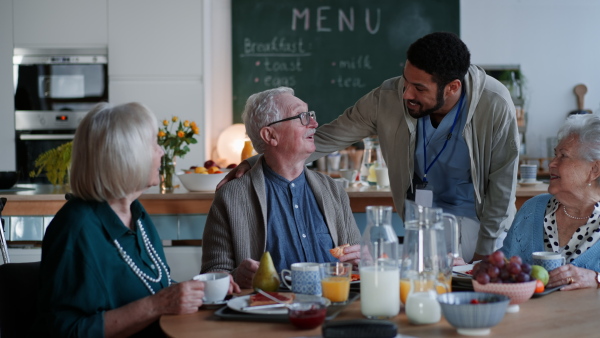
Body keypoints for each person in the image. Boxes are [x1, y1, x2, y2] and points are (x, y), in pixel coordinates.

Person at [220, 32, 520, 263]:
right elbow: (326, 137)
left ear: (452, 87)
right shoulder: (387, 97)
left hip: (477, 228)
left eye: (420, 89)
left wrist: (485, 254)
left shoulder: (493, 104)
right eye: (406, 81)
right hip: (418, 224)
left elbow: (503, 186)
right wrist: (259, 157)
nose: (406, 94)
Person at [33, 102, 240, 337]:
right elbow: (62, 331)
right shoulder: (76, 229)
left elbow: (152, 286)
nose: (161, 151)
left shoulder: (136, 213)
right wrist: (156, 306)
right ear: (126, 155)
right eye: (153, 143)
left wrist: (204, 289)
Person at [201, 87, 362, 289]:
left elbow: (356, 264)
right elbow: (212, 274)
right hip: (268, 311)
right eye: (301, 117)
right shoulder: (231, 197)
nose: (314, 123)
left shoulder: (333, 190)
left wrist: (362, 260)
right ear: (270, 135)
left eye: (310, 115)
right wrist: (235, 276)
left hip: (333, 307)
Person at [502, 114, 600, 291]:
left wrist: (597, 278)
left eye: (563, 156)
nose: (552, 164)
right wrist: (467, 267)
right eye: (555, 155)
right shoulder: (532, 209)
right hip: (530, 317)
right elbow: (502, 265)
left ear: (594, 170)